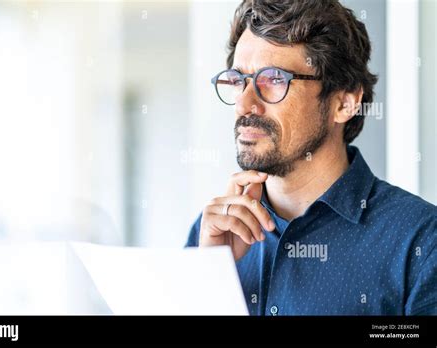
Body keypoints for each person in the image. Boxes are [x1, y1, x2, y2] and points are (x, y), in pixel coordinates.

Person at [185, 0, 436, 315]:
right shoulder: (211, 232)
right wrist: (210, 277)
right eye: (239, 81)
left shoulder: (421, 241)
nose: (244, 104)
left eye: (274, 79)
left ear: (344, 102)